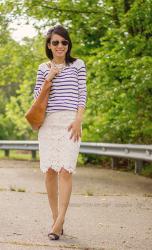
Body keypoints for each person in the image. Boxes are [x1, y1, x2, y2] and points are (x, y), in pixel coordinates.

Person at [33, 25, 87, 240]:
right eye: (55, 42)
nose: (60, 46)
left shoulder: (78, 65)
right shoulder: (43, 68)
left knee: (66, 170)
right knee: (50, 172)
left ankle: (59, 221)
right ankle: (56, 219)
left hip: (70, 122)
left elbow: (82, 93)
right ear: (49, 45)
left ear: (68, 44)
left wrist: (78, 120)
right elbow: (36, 97)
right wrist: (50, 77)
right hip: (48, 123)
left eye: (64, 42)